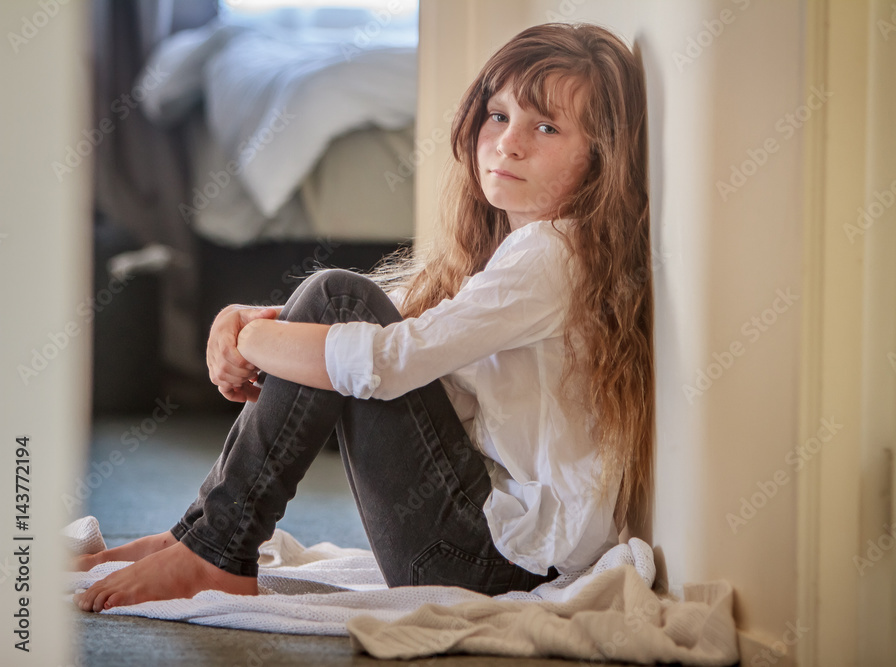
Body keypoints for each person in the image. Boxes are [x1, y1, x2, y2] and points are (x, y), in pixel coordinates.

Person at [74, 21, 654, 612]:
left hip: (491, 567)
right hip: (484, 553)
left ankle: (216, 545)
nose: (508, 142)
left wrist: (249, 337)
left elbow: (384, 358)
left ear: (601, 156)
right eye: (498, 115)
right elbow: (401, 322)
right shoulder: (525, 246)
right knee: (334, 308)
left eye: (547, 127)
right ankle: (199, 535)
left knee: (336, 298)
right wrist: (244, 317)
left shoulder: (553, 254)